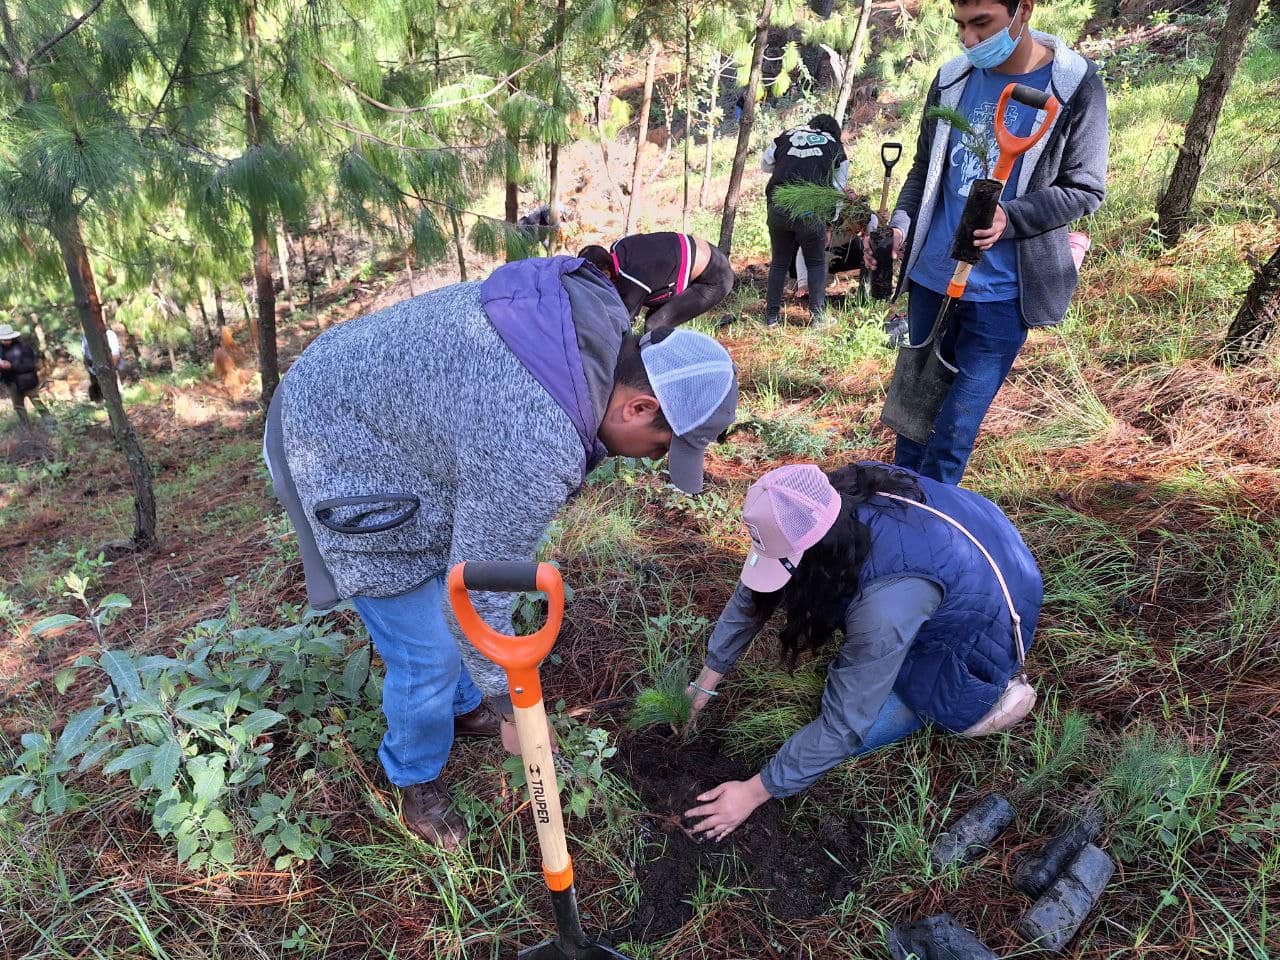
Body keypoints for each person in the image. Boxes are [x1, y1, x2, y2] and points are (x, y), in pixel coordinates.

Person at [263, 255, 738, 850]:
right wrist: (511, 705)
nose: (649, 461)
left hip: (385, 408)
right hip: (334, 436)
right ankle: (418, 780)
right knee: (427, 654)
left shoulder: (591, 330)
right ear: (638, 408)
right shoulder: (536, 437)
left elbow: (478, 550)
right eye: (659, 447)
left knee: (450, 581)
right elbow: (478, 581)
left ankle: (461, 709)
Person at [681, 461, 1042, 840]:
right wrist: (705, 683)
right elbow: (752, 596)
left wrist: (753, 792)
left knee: (857, 729)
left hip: (986, 628)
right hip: (970, 538)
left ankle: (994, 697)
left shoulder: (883, 612)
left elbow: (844, 726)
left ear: (818, 555)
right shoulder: (828, 499)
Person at [865, 0, 1108, 483]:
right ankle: (897, 521)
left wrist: (1009, 218)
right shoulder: (954, 77)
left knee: (953, 434)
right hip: (933, 278)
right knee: (911, 425)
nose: (969, 40)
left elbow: (1085, 189)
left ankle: (932, 526)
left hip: (1001, 294)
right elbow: (924, 169)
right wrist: (901, 223)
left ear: (1024, 11)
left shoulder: (1074, 84)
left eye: (982, 24)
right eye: (960, 25)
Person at [762, 113, 849, 328]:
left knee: (779, 262)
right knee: (816, 262)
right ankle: (818, 318)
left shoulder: (787, 135)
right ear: (835, 133)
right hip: (811, 212)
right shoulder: (835, 147)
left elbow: (766, 165)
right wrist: (831, 221)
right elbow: (838, 189)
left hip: (778, 207)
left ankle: (771, 317)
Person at [578, 233, 735, 332]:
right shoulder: (619, 247)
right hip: (705, 255)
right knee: (653, 317)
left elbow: (622, 326)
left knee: (655, 325)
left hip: (715, 278)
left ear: (606, 272)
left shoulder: (633, 279)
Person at [0, 321, 52, 429]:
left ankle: (52, 425)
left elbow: (31, 366)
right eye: (3, 339)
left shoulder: (23, 348)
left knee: (37, 403)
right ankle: (27, 429)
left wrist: (11, 366)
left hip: (27, 381)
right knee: (18, 407)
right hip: (11, 383)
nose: (5, 341)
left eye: (7, 339)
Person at [82, 326, 122, 403]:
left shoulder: (109, 334)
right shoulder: (86, 336)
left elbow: (115, 355)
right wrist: (89, 368)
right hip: (93, 370)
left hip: (108, 369)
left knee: (111, 395)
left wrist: (110, 370)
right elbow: (85, 355)